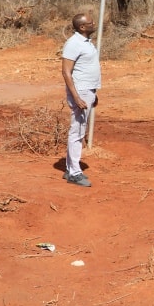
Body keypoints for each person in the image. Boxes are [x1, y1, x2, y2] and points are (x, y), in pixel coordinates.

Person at [61, 13, 101, 187]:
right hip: (81, 92)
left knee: (79, 130)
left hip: (87, 91)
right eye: (90, 23)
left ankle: (71, 168)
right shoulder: (73, 44)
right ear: (82, 27)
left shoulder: (86, 42)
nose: (94, 24)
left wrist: (93, 94)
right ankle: (74, 173)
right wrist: (77, 97)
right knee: (77, 131)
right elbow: (66, 72)